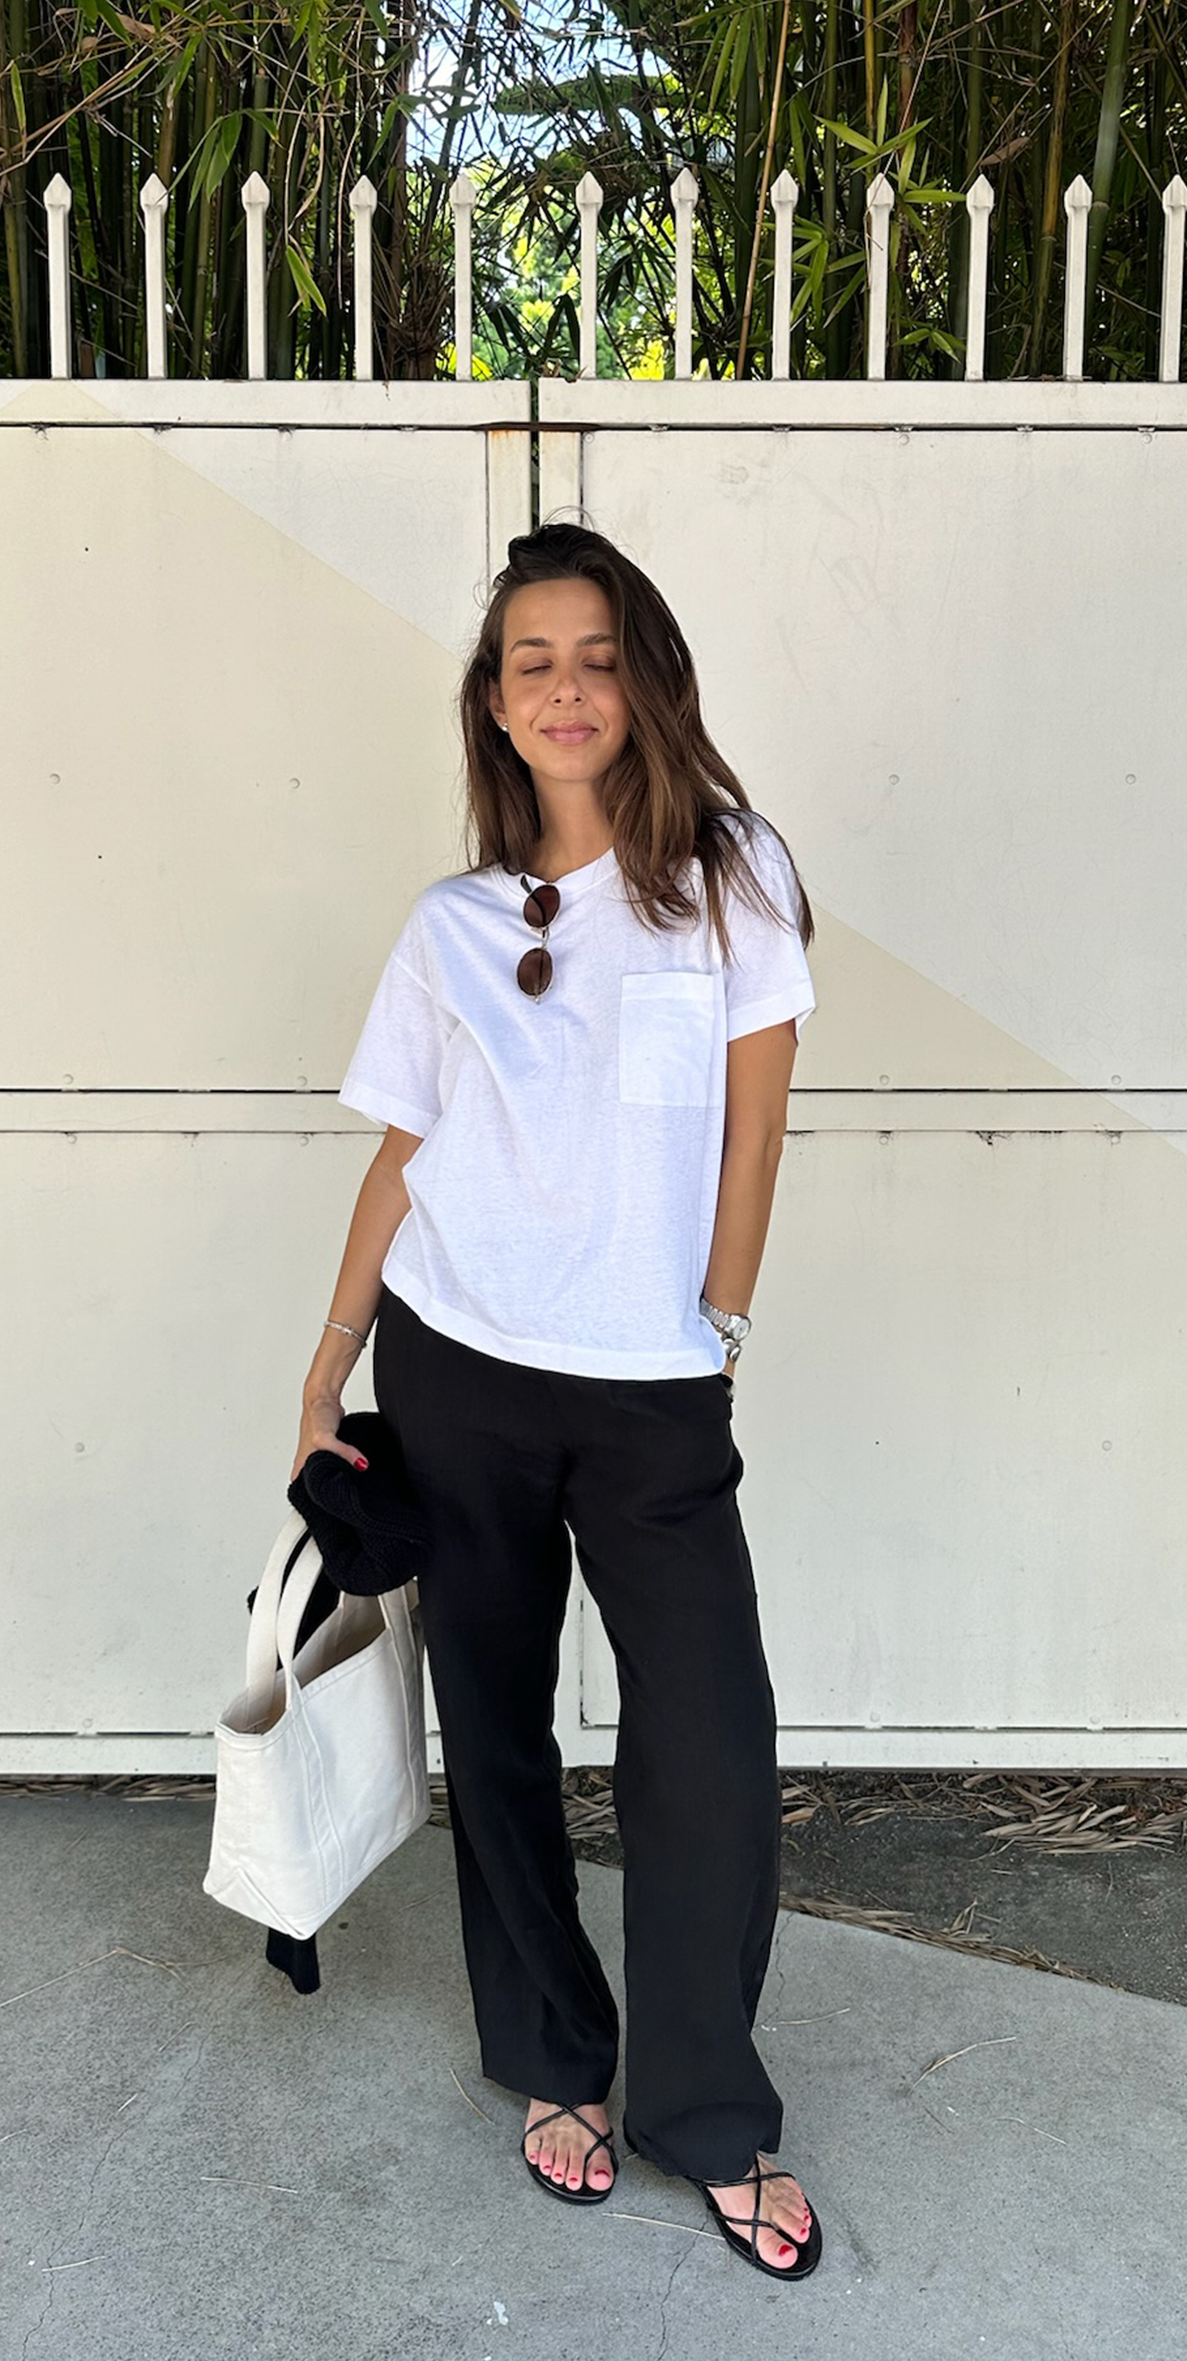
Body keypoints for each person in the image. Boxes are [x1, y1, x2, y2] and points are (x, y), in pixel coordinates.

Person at [292, 519, 823, 2281]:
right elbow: (403, 1154)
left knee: (709, 1748)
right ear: (495, 703)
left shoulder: (732, 875)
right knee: (498, 1730)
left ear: (645, 676)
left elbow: (758, 1125)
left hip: (656, 1389)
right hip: (456, 1371)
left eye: (596, 655)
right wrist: (324, 1365)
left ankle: (705, 2109)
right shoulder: (449, 928)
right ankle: (550, 2059)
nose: (567, 687)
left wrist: (720, 1321)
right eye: (533, 661)